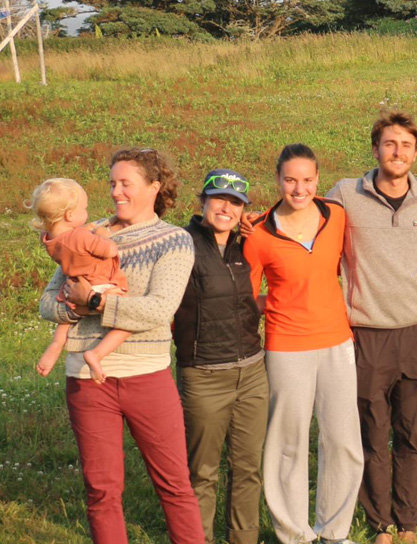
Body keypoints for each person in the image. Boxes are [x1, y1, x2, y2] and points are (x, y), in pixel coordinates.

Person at [38, 148, 205, 544]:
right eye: (112, 183)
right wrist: (73, 308)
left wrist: (94, 302)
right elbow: (47, 302)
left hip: (147, 377)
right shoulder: (86, 233)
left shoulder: (174, 240)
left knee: (175, 485)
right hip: (86, 380)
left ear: (154, 186)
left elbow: (159, 309)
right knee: (101, 491)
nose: (115, 191)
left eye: (125, 183)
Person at [326, 112, 417, 544]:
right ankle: (382, 526)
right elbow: (305, 222)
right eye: (390, 144)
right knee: (373, 432)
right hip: (366, 333)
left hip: (415, 331)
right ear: (375, 150)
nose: (398, 152)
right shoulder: (344, 195)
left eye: (406, 145)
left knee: (410, 432)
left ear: (416, 152)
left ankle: (408, 524)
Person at [245, 144, 364, 544]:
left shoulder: (337, 215)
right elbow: (245, 296)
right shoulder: (258, 231)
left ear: (318, 179)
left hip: (337, 342)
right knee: (287, 441)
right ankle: (294, 534)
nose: (299, 188)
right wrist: (273, 304)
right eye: (291, 180)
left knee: (343, 440)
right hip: (286, 346)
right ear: (277, 180)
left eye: (307, 180)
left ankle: (334, 532)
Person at [174, 169, 268, 544]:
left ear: (243, 209)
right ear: (203, 202)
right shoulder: (181, 244)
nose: (226, 208)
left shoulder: (247, 246)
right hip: (204, 373)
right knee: (202, 471)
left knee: (248, 468)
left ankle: (243, 537)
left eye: (235, 202)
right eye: (219, 199)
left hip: (252, 372)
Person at [30, 178, 130, 381]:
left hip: (74, 285)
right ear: (69, 215)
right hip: (100, 283)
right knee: (127, 318)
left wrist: (84, 229)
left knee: (66, 320)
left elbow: (69, 239)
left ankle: (56, 344)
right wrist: (102, 234)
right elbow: (109, 250)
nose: (87, 214)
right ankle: (96, 354)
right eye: (84, 208)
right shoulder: (80, 238)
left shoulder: (49, 239)